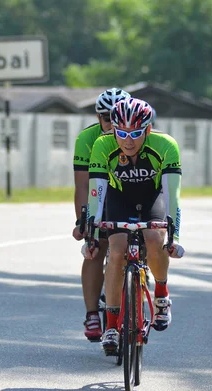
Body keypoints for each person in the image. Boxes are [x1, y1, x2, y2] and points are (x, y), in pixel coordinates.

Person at [84, 98, 185, 354]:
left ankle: (161, 294)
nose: (128, 141)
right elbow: (96, 194)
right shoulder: (102, 146)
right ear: (112, 130)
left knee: (154, 238)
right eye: (122, 133)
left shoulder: (165, 146)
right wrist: (92, 237)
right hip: (119, 199)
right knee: (116, 250)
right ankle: (112, 325)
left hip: (151, 198)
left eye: (137, 134)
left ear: (148, 130)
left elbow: (173, 195)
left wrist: (174, 237)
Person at [72, 87, 131, 342]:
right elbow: (83, 186)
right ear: (99, 119)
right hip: (100, 197)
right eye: (107, 117)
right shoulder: (88, 139)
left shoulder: (135, 136)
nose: (113, 123)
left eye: (118, 116)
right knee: (97, 244)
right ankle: (93, 313)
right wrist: (83, 223)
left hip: (131, 193)